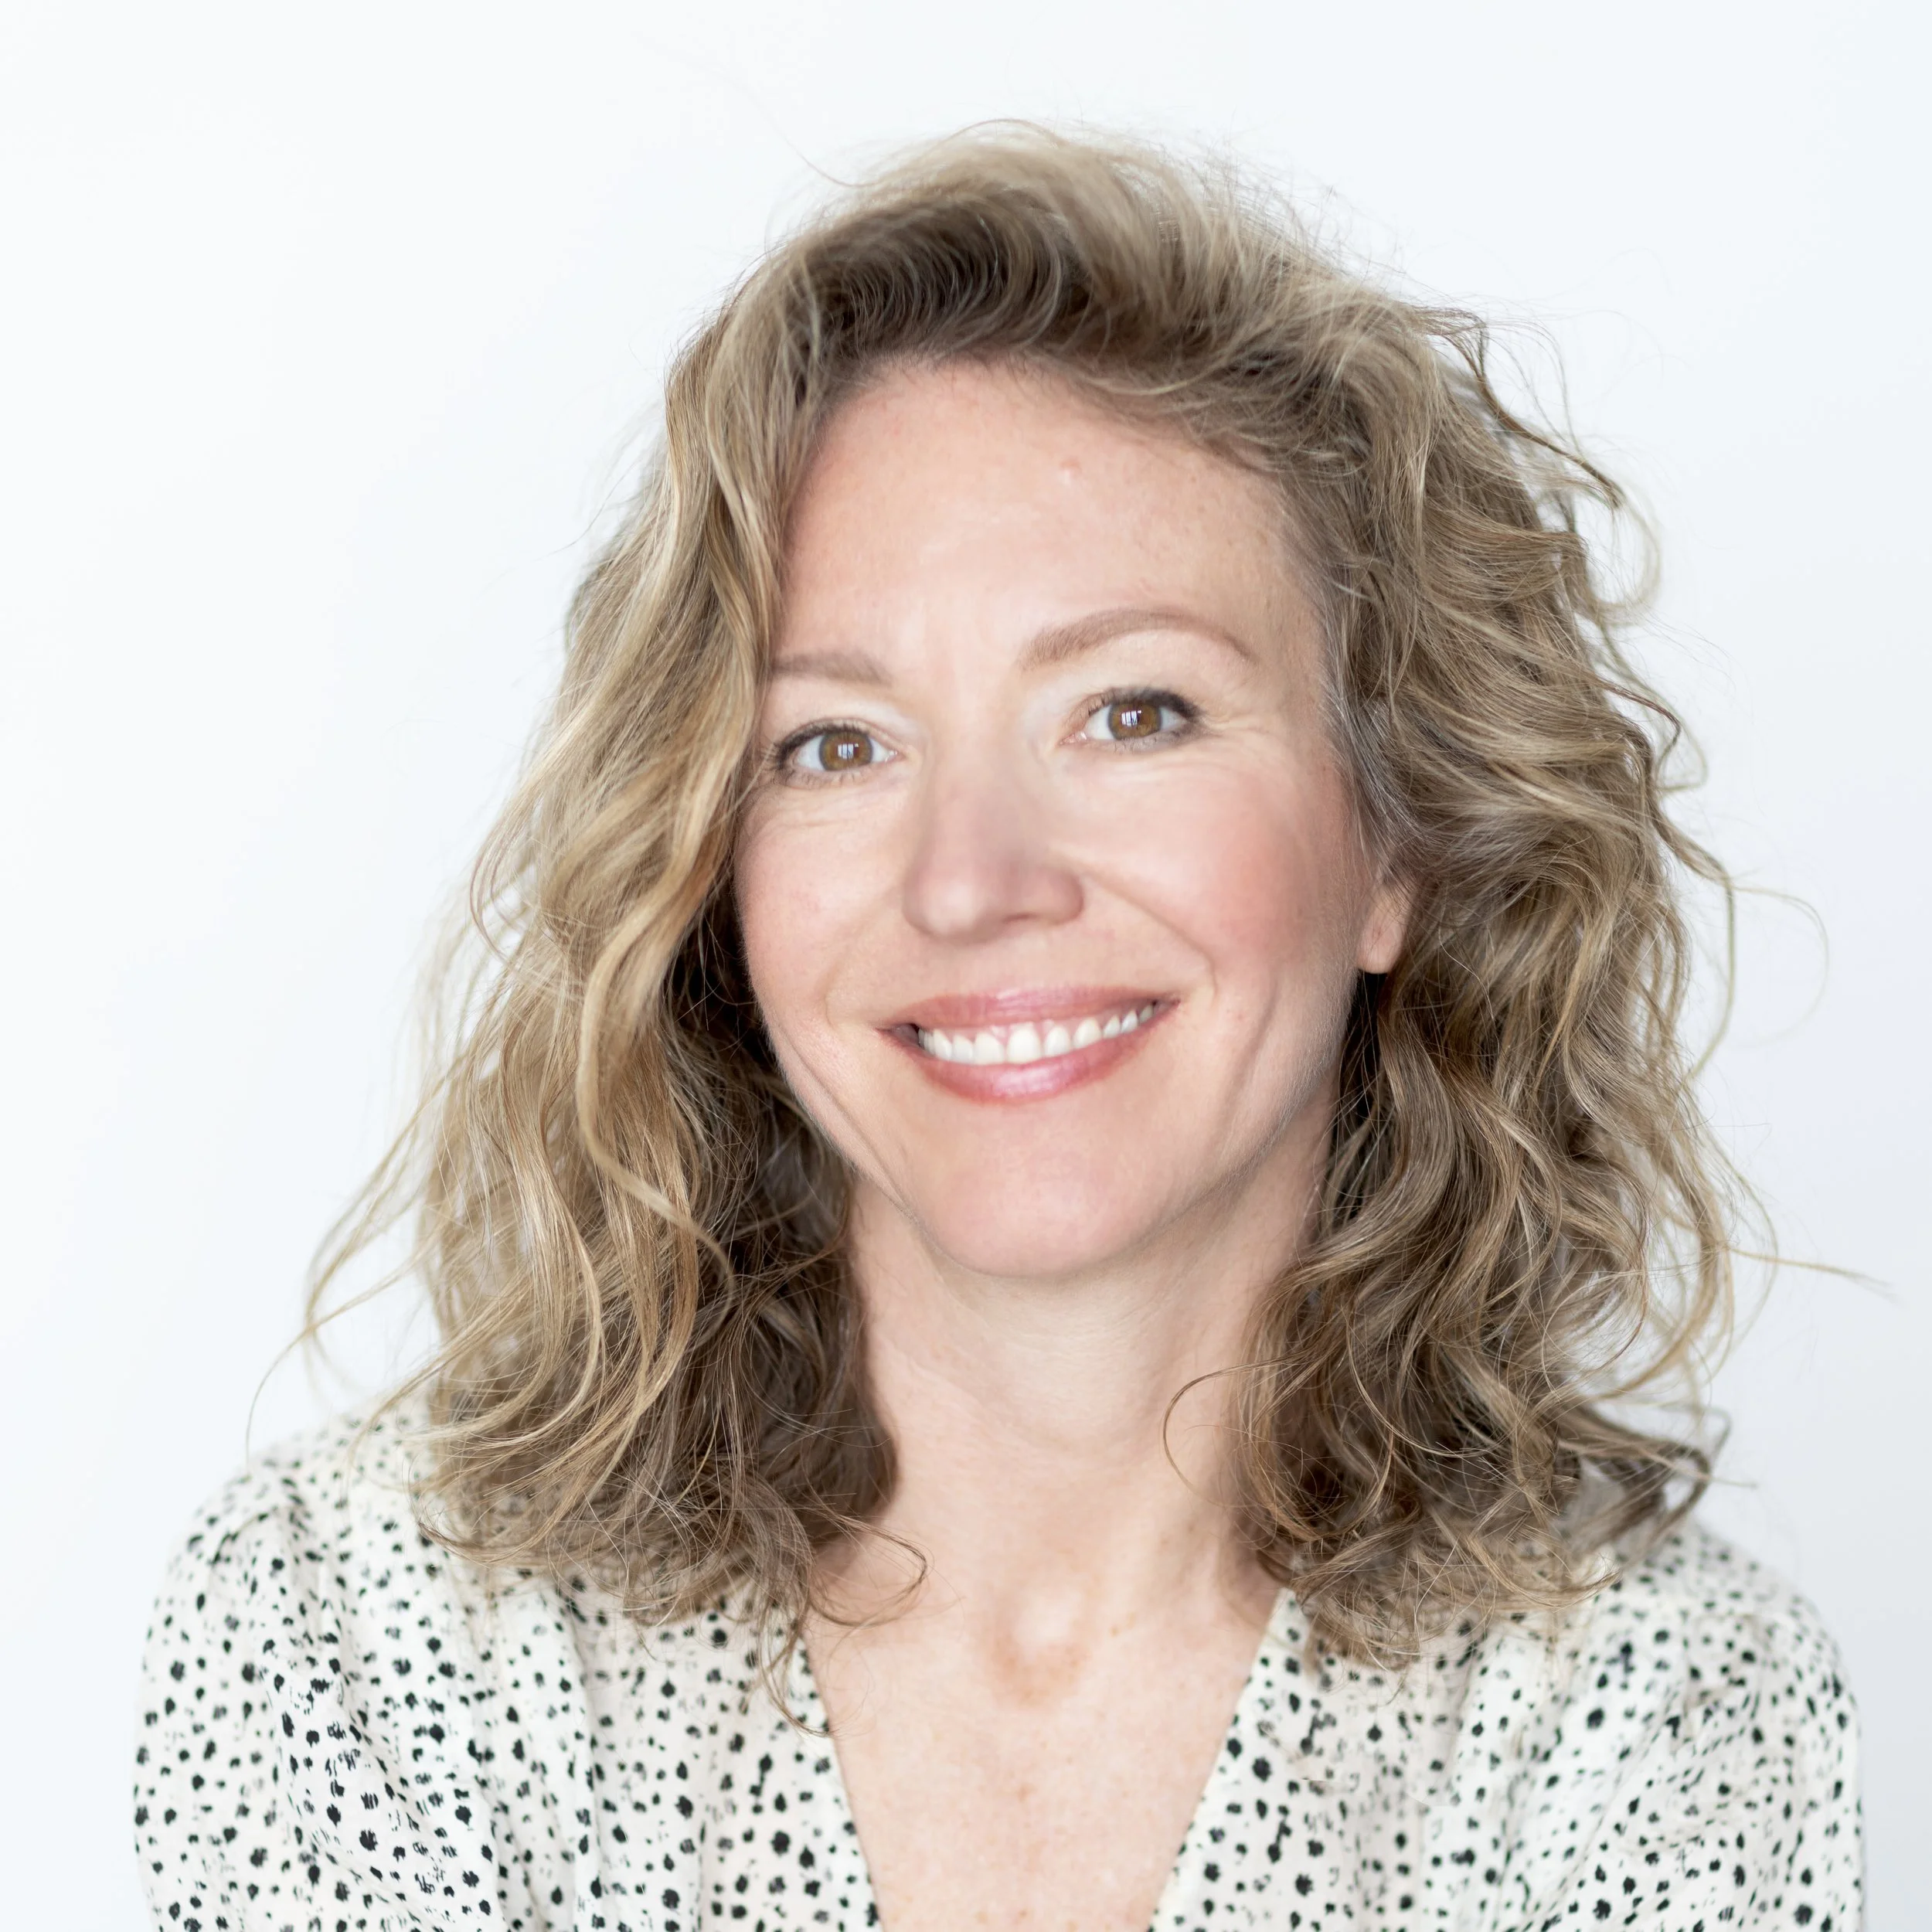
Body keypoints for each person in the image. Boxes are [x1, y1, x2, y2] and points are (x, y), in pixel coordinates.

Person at [133, 128, 1861, 1932]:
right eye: (835, 743)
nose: (971, 880)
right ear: (710, 880)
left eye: (1132, 710)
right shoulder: (369, 1636)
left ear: (1395, 842)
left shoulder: (1653, 1713)